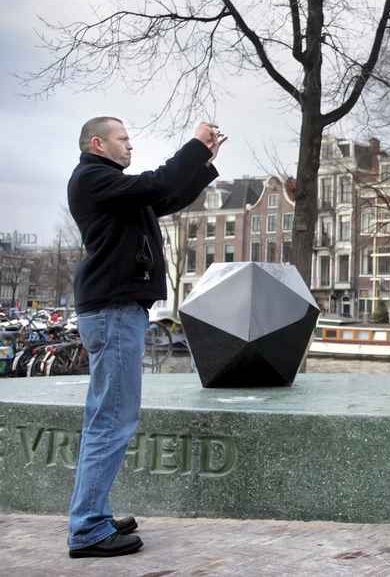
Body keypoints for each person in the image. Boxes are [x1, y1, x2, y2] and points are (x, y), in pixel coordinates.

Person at [66, 117, 224, 558]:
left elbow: (165, 197)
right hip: (114, 311)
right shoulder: (93, 178)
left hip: (115, 310)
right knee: (112, 420)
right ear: (98, 144)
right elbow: (157, 183)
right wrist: (194, 147)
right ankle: (88, 528)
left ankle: (93, 513)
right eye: (123, 139)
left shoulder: (111, 188)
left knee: (105, 417)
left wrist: (203, 164)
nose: (130, 146)